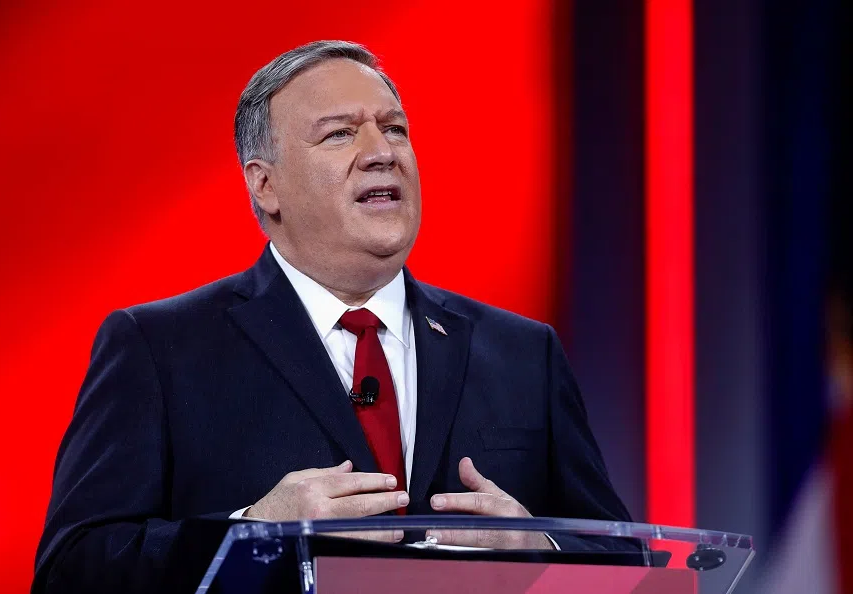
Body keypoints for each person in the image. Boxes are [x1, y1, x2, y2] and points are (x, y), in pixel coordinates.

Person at [33, 40, 633, 593]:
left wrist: (542, 545)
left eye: (395, 128)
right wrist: (254, 534)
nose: (382, 152)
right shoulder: (158, 348)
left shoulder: (524, 353)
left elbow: (628, 567)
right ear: (265, 186)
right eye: (340, 134)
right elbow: (74, 569)